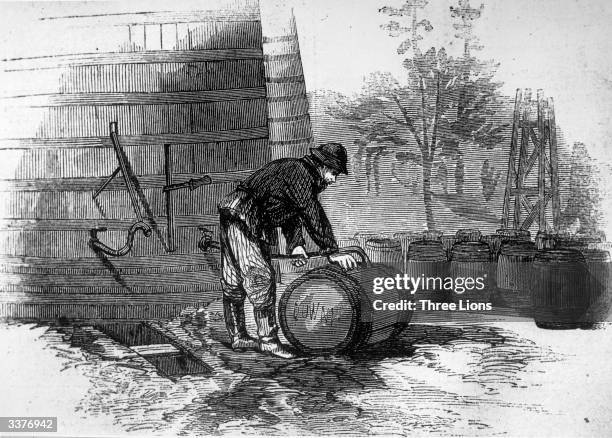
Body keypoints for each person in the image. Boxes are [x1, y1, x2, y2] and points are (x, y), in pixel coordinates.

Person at [217, 143, 358, 359]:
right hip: (245, 216)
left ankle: (238, 336)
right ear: (321, 165)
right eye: (333, 173)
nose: (333, 180)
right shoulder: (300, 173)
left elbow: (290, 215)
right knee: (260, 278)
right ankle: (268, 341)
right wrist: (332, 250)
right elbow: (312, 213)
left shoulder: (297, 174)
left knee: (234, 279)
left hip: (236, 214)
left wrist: (296, 246)